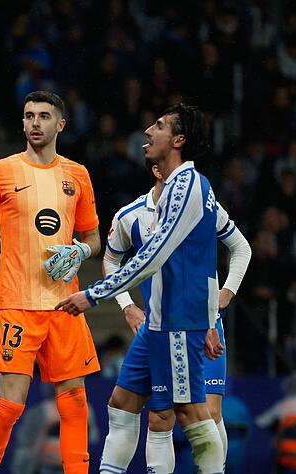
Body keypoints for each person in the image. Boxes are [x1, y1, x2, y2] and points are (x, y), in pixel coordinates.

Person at [56, 103, 225, 473]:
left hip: (180, 318)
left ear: (178, 140)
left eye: (160, 126)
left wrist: (92, 294)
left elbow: (153, 257)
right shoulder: (160, 198)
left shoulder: (190, 185)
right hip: (158, 322)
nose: (148, 131)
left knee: (193, 414)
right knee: (122, 402)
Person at [0, 90, 101, 473]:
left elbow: (93, 238)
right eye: (29, 115)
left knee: (75, 402)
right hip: (16, 303)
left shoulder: (77, 175)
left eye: (44, 116)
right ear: (21, 122)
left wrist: (80, 252)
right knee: (11, 405)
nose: (35, 122)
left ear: (60, 124)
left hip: (65, 304)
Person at [99, 160, 251, 473]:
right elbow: (111, 260)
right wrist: (127, 305)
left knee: (207, 411)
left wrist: (227, 293)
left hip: (201, 326)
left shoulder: (203, 205)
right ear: (158, 170)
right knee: (145, 412)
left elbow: (241, 247)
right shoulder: (131, 216)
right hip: (157, 328)